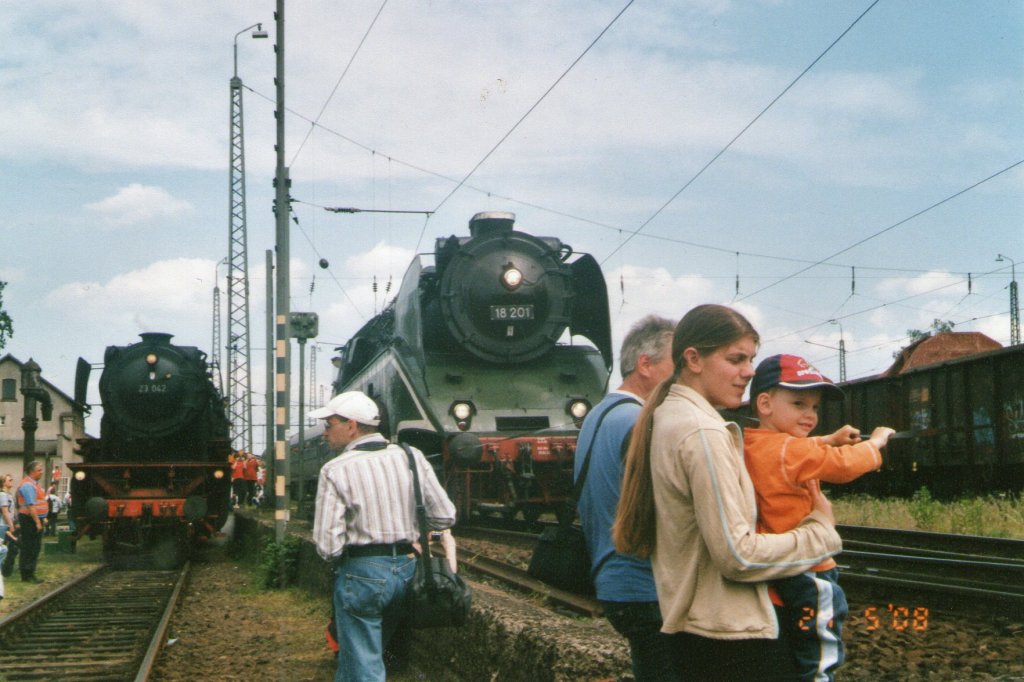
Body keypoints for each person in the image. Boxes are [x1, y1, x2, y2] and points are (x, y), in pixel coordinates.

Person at [613, 304, 843, 681]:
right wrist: (820, 533)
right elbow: (738, 555)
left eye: (751, 359)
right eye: (736, 359)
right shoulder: (701, 431)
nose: (749, 372)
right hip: (732, 644)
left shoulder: (669, 416)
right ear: (694, 359)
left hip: (697, 634)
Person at [744, 354, 895, 682]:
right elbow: (841, 466)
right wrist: (878, 443)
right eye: (799, 403)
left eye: (814, 407)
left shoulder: (751, 442)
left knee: (796, 641)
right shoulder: (792, 451)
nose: (810, 415)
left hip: (777, 565)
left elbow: (787, 452)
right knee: (821, 636)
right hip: (809, 567)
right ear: (765, 403)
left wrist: (827, 439)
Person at [310, 391, 456, 682]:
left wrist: (351, 561)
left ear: (351, 426)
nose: (324, 433)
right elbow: (444, 516)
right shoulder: (411, 456)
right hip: (407, 571)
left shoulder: (335, 469)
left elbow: (327, 545)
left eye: (329, 425)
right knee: (354, 662)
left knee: (364, 665)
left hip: (362, 574)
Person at [575, 314, 680, 682]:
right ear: (645, 365)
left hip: (614, 582)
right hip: (646, 586)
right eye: (676, 364)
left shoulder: (599, 415)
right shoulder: (640, 421)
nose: (682, 375)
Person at [15, 461, 48, 583]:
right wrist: (37, 522)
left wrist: (43, 518)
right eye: (39, 470)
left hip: (33, 519)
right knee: (31, 547)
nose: (42, 472)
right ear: (32, 472)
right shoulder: (28, 485)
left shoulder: (33, 484)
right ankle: (28, 574)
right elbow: (31, 506)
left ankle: (28, 573)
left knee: (33, 546)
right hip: (29, 519)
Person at [0, 474, 18, 578]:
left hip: (7, 524)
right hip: (2, 525)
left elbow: (12, 511)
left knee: (7, 548)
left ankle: (4, 570)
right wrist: (11, 525)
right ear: (3, 483)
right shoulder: (2, 495)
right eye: (9, 480)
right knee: (2, 547)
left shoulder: (9, 495)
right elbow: (5, 512)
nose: (11, 480)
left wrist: (15, 522)